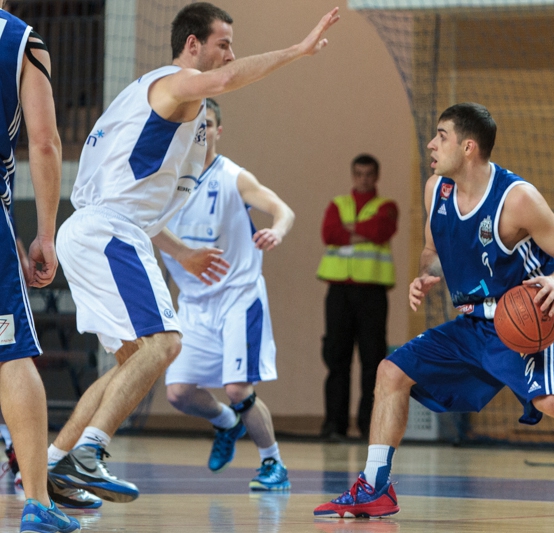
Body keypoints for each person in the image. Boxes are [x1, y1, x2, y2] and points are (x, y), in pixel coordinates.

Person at [314, 103, 554, 518]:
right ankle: (375, 486)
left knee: (552, 402)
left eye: (441, 136)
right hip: (473, 322)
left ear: (468, 147)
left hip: (527, 318)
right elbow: (431, 250)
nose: (431, 144)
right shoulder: (436, 190)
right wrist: (426, 275)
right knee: (390, 372)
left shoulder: (517, 198)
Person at [46, 2, 339, 507]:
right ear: (192, 45)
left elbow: (144, 203)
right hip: (110, 231)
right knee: (165, 345)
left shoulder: (169, 106)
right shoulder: (175, 83)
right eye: (223, 44)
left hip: (98, 230)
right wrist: (298, 50)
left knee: (132, 360)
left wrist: (182, 252)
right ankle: (89, 453)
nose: (231, 55)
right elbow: (222, 82)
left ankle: (55, 465)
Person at [163, 98, 294, 491]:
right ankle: (226, 422)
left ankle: (274, 464)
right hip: (194, 302)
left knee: (237, 388)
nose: (200, 130)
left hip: (237, 296)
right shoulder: (166, 182)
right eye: (194, 123)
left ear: (218, 130)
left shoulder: (233, 176)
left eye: (207, 123)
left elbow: (282, 209)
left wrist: (277, 231)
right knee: (178, 393)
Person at [0, 6, 81, 532]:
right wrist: (46, 232)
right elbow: (45, 141)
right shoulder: (20, 40)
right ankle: (37, 504)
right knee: (10, 355)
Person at [317, 154, 398, 440]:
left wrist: (348, 230)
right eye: (359, 174)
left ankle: (369, 427)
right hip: (339, 292)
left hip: (372, 292)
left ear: (376, 177)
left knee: (372, 361)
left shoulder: (387, 206)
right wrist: (361, 232)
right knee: (336, 359)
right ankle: (334, 425)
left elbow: (380, 230)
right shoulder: (338, 204)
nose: (363, 179)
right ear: (353, 175)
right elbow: (329, 233)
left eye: (369, 174)